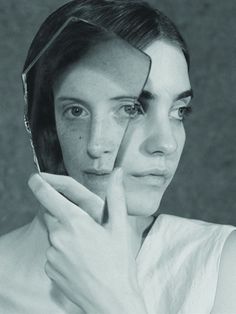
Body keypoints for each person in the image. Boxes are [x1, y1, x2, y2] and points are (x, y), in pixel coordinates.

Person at [0, 1, 235, 313]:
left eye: (179, 111)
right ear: (49, 121)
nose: (166, 143)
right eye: (133, 108)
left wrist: (113, 301)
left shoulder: (219, 265)